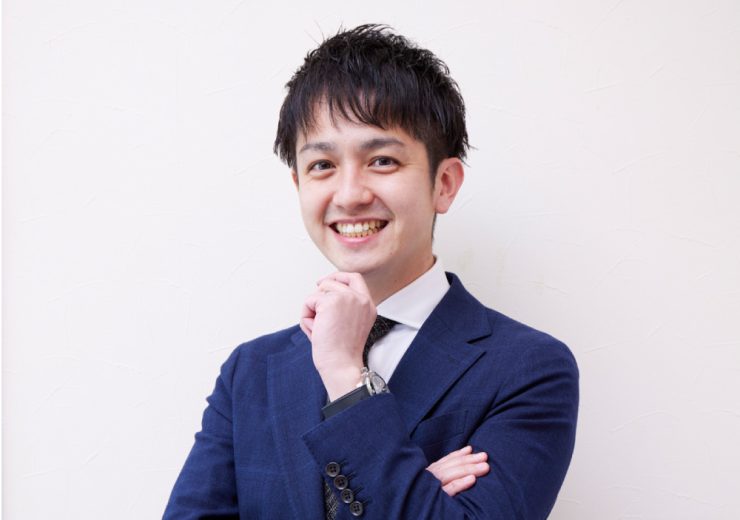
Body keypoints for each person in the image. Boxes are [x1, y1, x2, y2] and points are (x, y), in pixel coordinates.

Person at [164, 24, 578, 519]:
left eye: (382, 160)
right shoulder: (250, 372)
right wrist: (417, 495)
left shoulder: (528, 369)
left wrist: (345, 376)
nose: (349, 195)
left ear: (444, 183)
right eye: (322, 166)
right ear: (298, 184)